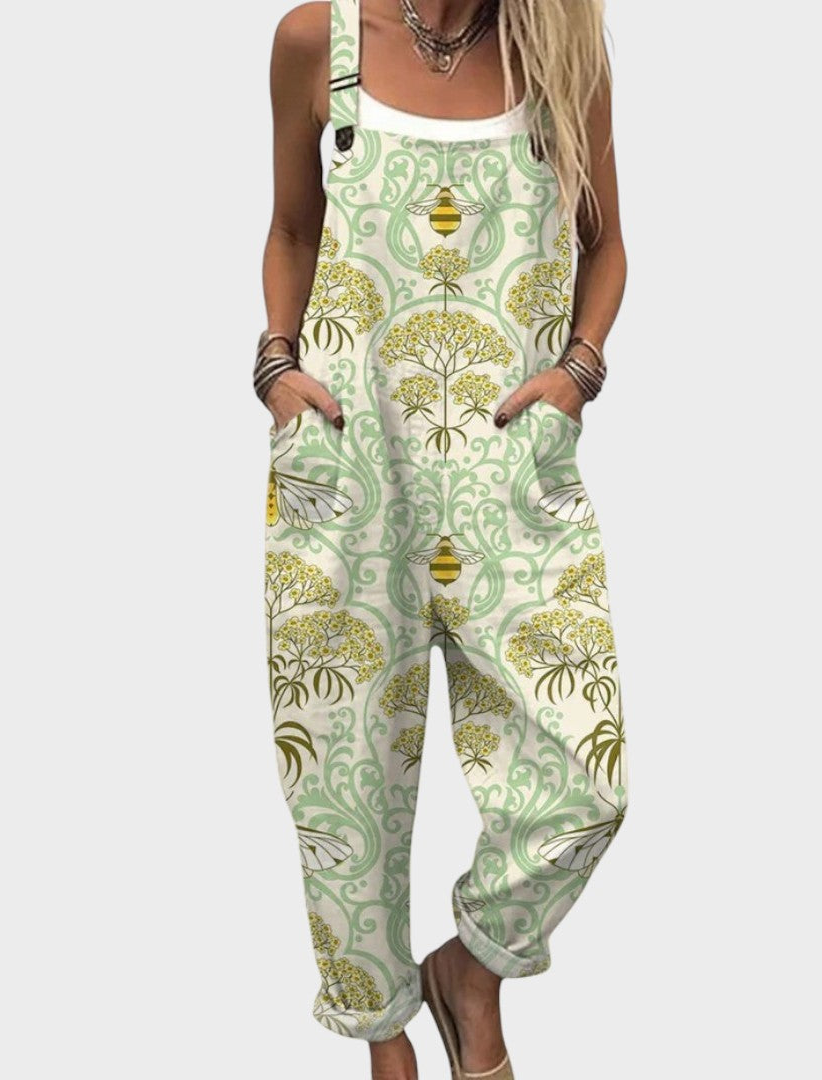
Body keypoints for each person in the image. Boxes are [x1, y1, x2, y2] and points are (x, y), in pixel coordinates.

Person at [255, 2, 627, 1077]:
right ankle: (384, 1041)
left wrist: (579, 372)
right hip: (350, 467)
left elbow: (605, 244)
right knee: (345, 778)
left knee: (584, 777)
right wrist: (276, 367)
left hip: (509, 474)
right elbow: (293, 230)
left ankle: (471, 969)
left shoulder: (559, 49)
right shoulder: (317, 41)